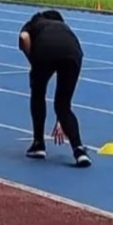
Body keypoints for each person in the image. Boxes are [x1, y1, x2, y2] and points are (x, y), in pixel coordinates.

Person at [17, 9, 91, 166]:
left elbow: (23, 38)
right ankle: (79, 150)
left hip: (45, 50)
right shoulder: (62, 27)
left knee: (38, 93)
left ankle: (38, 144)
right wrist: (61, 119)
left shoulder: (34, 23)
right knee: (63, 106)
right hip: (73, 51)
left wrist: (34, 63)